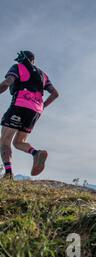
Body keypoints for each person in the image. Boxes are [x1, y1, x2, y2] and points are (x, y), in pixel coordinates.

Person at [0, 51, 59, 180]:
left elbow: (7, 82)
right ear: (33, 60)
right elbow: (55, 94)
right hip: (35, 111)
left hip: (19, 106)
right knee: (19, 142)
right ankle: (36, 153)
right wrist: (42, 106)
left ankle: (9, 174)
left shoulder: (18, 67)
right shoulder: (44, 75)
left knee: (5, 142)